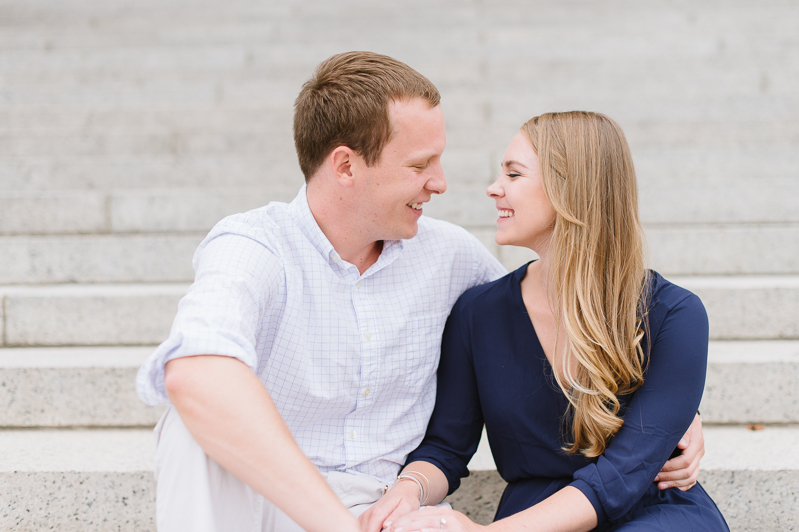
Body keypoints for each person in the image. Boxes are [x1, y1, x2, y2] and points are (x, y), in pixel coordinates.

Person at [136, 52, 705, 532]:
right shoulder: (254, 246)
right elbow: (196, 372)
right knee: (189, 422)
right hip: (263, 498)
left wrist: (672, 411)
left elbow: (563, 317)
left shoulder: (450, 258)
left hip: (382, 509)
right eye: (419, 164)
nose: (442, 182)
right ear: (345, 167)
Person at [362, 112, 727, 532]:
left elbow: (624, 474)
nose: (493, 188)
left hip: (655, 515)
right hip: (532, 515)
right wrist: (407, 490)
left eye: (514, 175)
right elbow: (446, 447)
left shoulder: (674, 313)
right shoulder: (478, 312)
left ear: (570, 188)